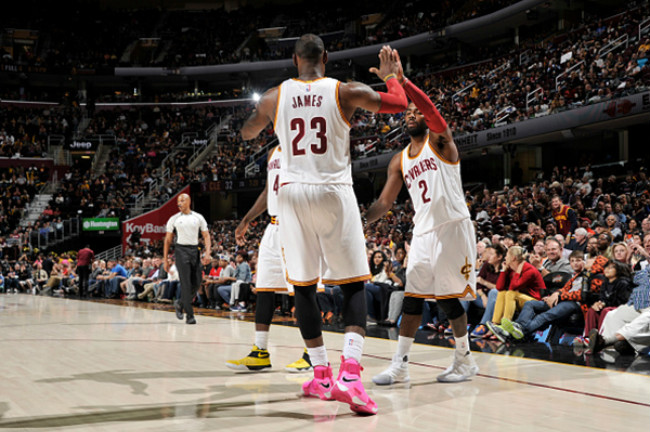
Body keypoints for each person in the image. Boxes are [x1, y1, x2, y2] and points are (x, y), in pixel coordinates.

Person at [240, 35, 407, 415]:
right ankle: (350, 374)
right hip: (333, 190)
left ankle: (322, 375)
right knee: (352, 283)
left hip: (292, 195)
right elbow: (399, 103)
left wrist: (263, 116)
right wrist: (391, 76)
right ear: (326, 58)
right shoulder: (345, 91)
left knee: (302, 286)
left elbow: (248, 131)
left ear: (294, 59)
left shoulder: (274, 97)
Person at [364, 49, 479, 387]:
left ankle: (465, 360)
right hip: (424, 232)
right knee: (412, 298)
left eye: (417, 111)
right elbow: (384, 202)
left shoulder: (441, 142)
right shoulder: (398, 160)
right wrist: (361, 220)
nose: (412, 114)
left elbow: (430, 110)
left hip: (453, 226)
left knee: (447, 299)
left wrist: (403, 83)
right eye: (408, 112)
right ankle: (400, 365)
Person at [227, 145, 311, 372]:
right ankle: (260, 351)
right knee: (264, 288)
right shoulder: (274, 152)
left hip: (296, 223)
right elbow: (267, 192)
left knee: (303, 291)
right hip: (273, 227)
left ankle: (312, 354)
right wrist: (247, 219)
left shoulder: (305, 144)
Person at [164, 193, 211, 325]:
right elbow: (168, 240)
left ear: (189, 201)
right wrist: (165, 259)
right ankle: (190, 315)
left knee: (197, 282)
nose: (179, 203)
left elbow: (206, 236)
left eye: (182, 200)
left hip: (195, 250)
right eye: (178, 201)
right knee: (186, 283)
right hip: (181, 250)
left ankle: (180, 303)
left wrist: (208, 253)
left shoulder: (198, 217)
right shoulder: (174, 219)